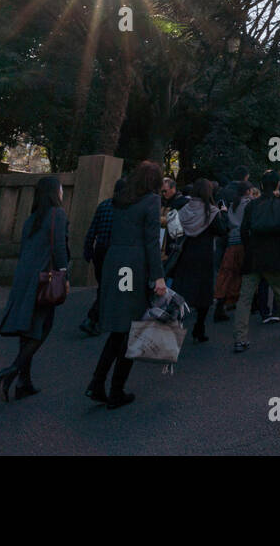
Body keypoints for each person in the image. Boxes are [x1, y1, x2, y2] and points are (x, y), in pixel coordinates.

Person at [87, 161, 164, 409]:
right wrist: (159, 276)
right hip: (136, 263)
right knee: (133, 330)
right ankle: (116, 389)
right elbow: (151, 241)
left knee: (120, 329)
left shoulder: (120, 199)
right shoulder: (151, 201)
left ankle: (98, 382)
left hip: (115, 261)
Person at [0, 175, 70, 402]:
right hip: (45, 279)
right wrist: (64, 274)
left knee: (29, 329)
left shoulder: (32, 218)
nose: (62, 192)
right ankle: (13, 370)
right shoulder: (58, 214)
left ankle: (24, 383)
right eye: (61, 189)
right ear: (54, 192)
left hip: (26, 279)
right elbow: (58, 248)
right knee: (43, 328)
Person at [233, 170, 280, 353]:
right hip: (275, 255)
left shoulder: (252, 206)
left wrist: (249, 247)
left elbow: (243, 230)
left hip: (254, 255)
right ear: (278, 185)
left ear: (261, 186)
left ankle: (240, 338)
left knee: (245, 298)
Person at [166, 178, 219, 342]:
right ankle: (199, 328)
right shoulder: (212, 211)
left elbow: (175, 230)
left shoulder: (184, 209)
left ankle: (173, 330)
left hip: (186, 255)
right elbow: (222, 229)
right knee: (204, 295)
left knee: (181, 294)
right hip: (204, 257)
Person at [80, 178, 124, 336]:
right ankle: (93, 319)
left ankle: (99, 319)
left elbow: (92, 230)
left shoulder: (104, 205)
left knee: (103, 285)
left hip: (100, 251)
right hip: (116, 252)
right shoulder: (126, 208)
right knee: (113, 287)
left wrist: (88, 250)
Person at [212, 167, 253, 322]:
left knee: (226, 272)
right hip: (244, 242)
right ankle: (243, 304)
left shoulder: (227, 197)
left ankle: (221, 301)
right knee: (246, 274)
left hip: (229, 239)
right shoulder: (249, 204)